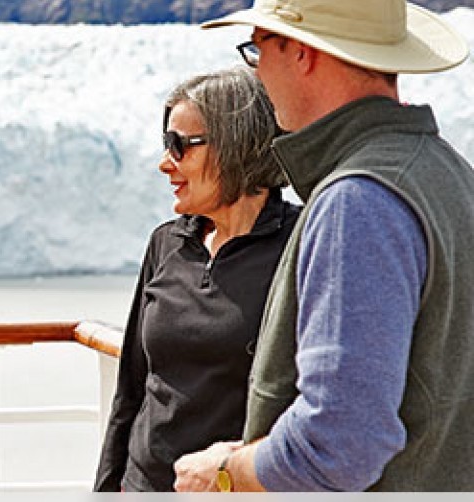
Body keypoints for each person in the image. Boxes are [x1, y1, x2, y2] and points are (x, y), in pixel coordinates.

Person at [174, 0, 473, 492]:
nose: (257, 73)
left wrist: (226, 472)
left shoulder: (358, 200)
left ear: (302, 52)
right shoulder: (448, 173)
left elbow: (340, 444)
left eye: (258, 49)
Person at [94, 67, 299, 492]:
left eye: (178, 145)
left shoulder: (300, 244)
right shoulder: (166, 243)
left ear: (235, 143)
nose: (164, 163)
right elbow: (131, 389)